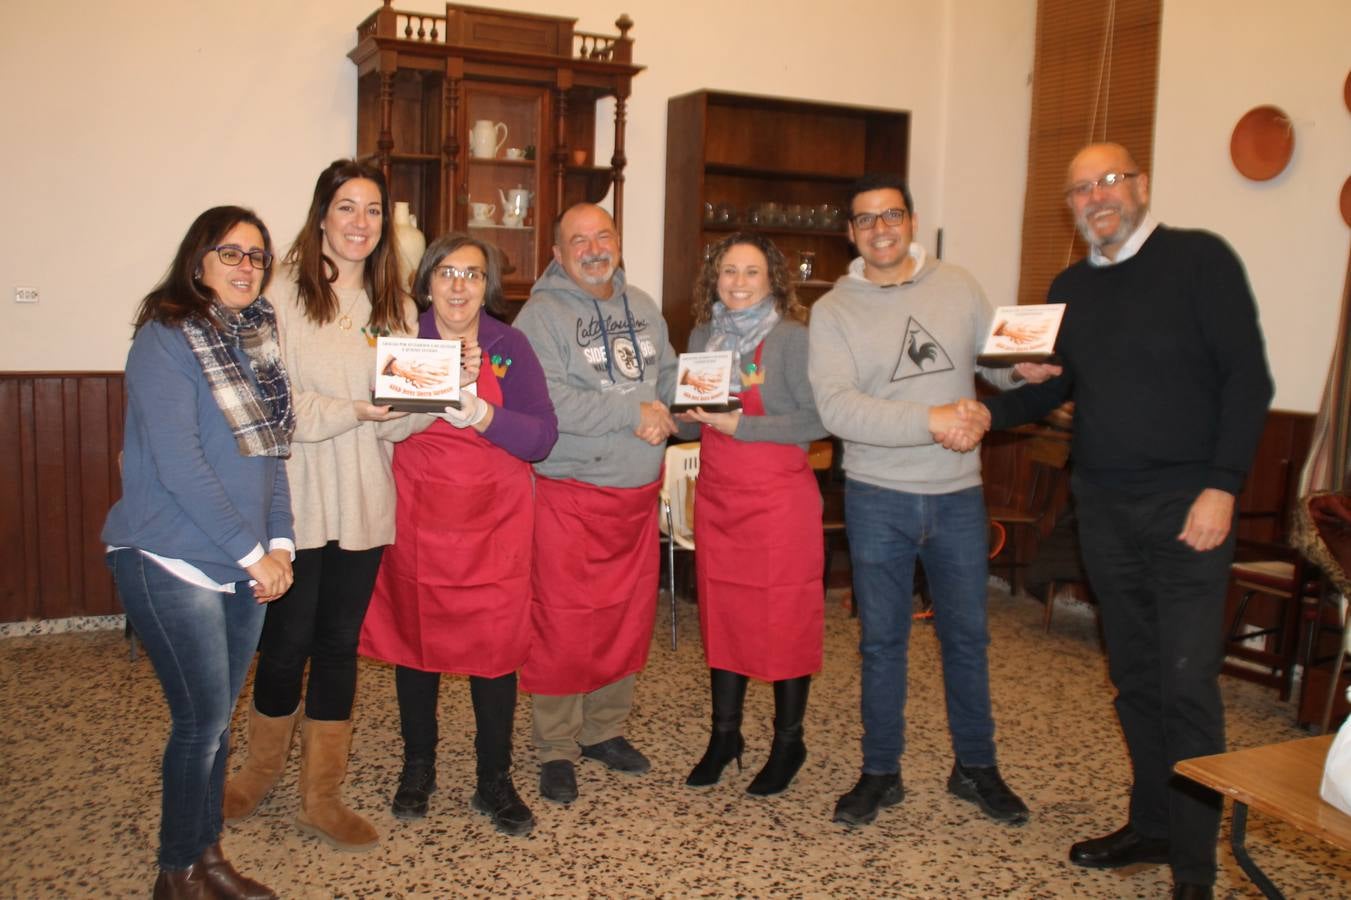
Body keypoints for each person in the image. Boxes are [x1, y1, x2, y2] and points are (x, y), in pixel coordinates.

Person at [979, 143, 1273, 900]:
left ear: (1139, 185)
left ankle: (1195, 872)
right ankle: (1151, 824)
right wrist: (983, 410)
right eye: (1079, 189)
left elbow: (1248, 378)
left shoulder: (1199, 260)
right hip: (1103, 509)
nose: (1094, 198)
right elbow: (1052, 391)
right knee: (1134, 680)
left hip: (1187, 510)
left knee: (1186, 685)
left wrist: (1221, 487)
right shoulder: (1069, 286)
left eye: (1106, 181)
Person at [808, 173, 1049, 829]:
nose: (880, 228)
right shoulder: (832, 311)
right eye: (865, 220)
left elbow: (992, 363)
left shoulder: (959, 286)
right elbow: (836, 407)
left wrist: (1020, 368)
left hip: (956, 500)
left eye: (891, 215)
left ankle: (975, 766)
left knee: (967, 640)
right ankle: (879, 772)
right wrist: (930, 419)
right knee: (881, 644)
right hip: (877, 497)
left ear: (911, 221)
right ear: (848, 234)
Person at [223, 160, 422, 851]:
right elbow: (275, 405)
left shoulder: (396, 306)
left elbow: (396, 423)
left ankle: (321, 796)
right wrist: (356, 409)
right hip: (295, 498)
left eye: (373, 210)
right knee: (285, 645)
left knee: (339, 647)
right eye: (346, 207)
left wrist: (425, 400)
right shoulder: (278, 293)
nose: (360, 223)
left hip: (365, 497)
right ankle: (255, 772)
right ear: (321, 215)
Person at [103, 206, 293, 899]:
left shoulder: (259, 341)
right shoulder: (166, 339)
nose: (247, 267)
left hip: (240, 562)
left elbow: (273, 456)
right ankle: (177, 870)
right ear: (198, 262)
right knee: (202, 722)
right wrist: (253, 553)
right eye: (230, 253)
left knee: (216, 726)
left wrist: (280, 542)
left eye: (256, 256)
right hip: (167, 555)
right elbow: (182, 464)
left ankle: (206, 856)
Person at [358, 234, 558, 835]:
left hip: (494, 527)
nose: (458, 286)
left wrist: (480, 411)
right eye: (445, 272)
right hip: (419, 521)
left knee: (495, 655)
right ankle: (418, 767)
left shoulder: (509, 345)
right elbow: (378, 427)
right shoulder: (400, 342)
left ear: (486, 285)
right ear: (427, 282)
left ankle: (493, 776)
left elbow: (540, 439)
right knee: (415, 647)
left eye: (471, 274)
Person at [512, 203, 678, 805]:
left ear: (618, 241)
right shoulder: (541, 315)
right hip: (571, 495)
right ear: (556, 254)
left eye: (602, 234)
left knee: (624, 617)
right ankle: (556, 745)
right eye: (576, 240)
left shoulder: (646, 306)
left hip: (635, 499)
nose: (592, 248)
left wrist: (700, 400)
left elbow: (668, 383)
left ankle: (605, 730)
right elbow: (548, 402)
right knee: (563, 621)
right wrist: (631, 412)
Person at [675, 232, 828, 796]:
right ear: (714, 279)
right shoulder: (701, 336)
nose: (738, 283)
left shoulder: (791, 339)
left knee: (784, 619)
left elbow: (817, 420)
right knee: (723, 615)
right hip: (720, 496)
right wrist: (670, 415)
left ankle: (790, 742)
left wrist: (744, 427)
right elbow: (694, 422)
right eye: (728, 272)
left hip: (778, 502)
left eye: (751, 272)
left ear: (772, 282)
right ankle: (725, 736)